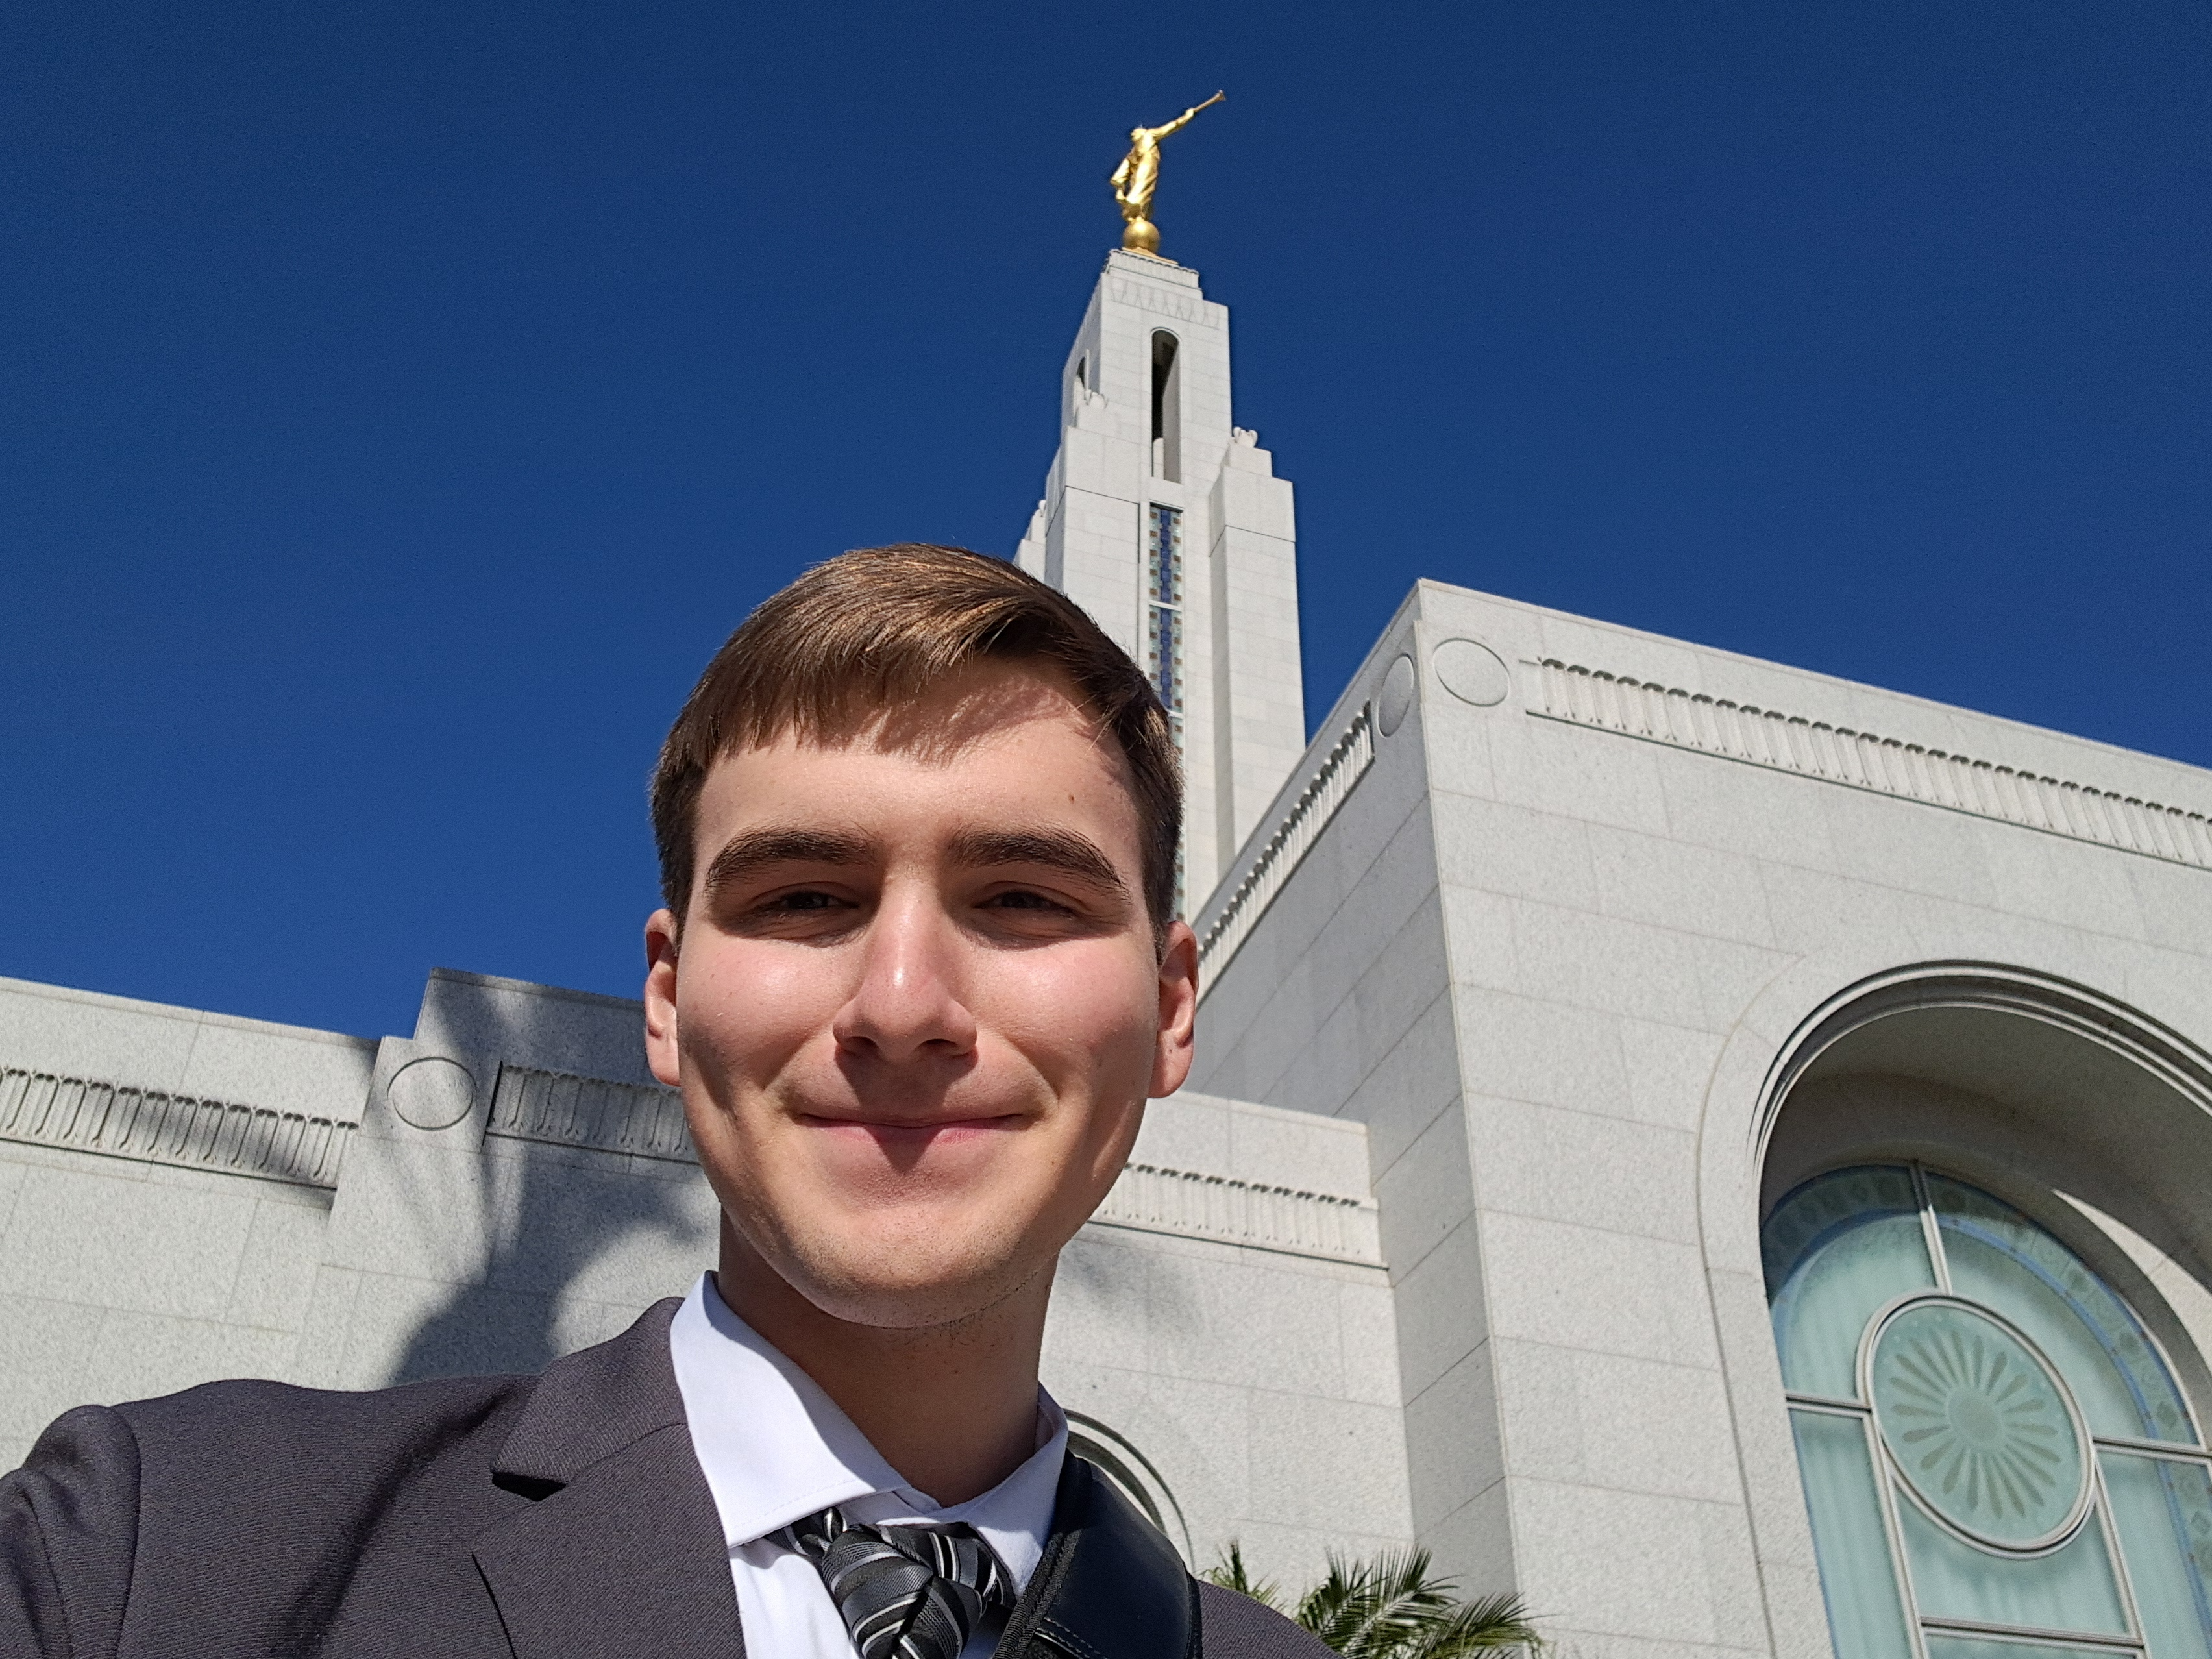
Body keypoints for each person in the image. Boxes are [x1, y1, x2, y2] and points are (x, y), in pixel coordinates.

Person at [0, 545, 1331, 1658]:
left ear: (1167, 1010)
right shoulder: (162, 1547)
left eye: (1024, 898)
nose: (904, 1001)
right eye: (804, 897)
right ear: (667, 998)